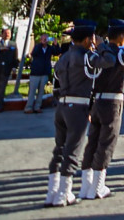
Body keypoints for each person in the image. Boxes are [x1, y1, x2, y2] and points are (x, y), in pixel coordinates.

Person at [79, 19, 124, 200]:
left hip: (97, 101)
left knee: (92, 142)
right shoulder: (118, 53)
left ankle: (86, 186)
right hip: (112, 102)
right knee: (106, 143)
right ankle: (98, 186)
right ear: (123, 36)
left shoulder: (101, 52)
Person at [45, 19, 100, 207]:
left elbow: (57, 80)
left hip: (61, 104)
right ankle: (64, 193)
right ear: (87, 39)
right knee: (73, 150)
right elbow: (105, 64)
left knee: (59, 149)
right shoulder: (86, 56)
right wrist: (101, 48)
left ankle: (51, 192)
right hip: (78, 105)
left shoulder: (64, 57)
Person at [25, 33, 56, 114]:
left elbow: (57, 52)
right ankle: (28, 107)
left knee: (41, 91)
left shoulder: (50, 48)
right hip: (36, 72)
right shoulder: (37, 47)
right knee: (32, 91)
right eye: (43, 38)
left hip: (44, 72)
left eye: (46, 38)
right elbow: (33, 53)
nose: (45, 40)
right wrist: (41, 44)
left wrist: (55, 44)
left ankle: (37, 107)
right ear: (41, 39)